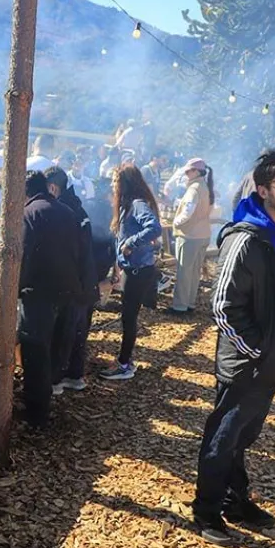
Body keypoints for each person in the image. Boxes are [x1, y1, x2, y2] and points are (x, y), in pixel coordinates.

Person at [194, 151, 275, 545]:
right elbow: (222, 307)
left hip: (273, 357)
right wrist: (258, 351)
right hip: (248, 361)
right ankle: (206, 512)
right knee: (222, 438)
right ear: (263, 190)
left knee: (243, 436)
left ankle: (235, 501)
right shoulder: (245, 239)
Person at [18, 171, 86, 426]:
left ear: (24, 193)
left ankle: (36, 413)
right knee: (55, 347)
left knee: (35, 349)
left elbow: (23, 257)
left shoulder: (28, 213)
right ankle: (48, 399)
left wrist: (14, 288)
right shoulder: (67, 211)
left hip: (39, 293)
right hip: (66, 291)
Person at [99, 166, 162, 381]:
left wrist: (131, 243)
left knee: (129, 318)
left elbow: (154, 228)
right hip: (132, 270)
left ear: (125, 183)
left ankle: (124, 364)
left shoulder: (137, 204)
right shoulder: (127, 205)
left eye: (115, 181)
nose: (112, 185)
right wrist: (117, 267)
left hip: (139, 271)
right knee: (128, 317)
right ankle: (125, 360)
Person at [44, 167, 100, 392]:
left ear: (53, 188)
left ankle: (56, 381)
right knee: (78, 332)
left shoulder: (63, 210)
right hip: (86, 277)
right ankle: (75, 375)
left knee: (63, 331)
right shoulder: (77, 206)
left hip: (73, 280)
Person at [170, 158, 215, 314]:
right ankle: (190, 303)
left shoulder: (194, 189)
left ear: (196, 172)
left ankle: (179, 307)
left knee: (184, 272)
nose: (186, 173)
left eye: (189, 171)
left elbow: (187, 212)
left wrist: (176, 222)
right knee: (195, 272)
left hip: (190, 235)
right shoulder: (205, 187)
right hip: (203, 234)